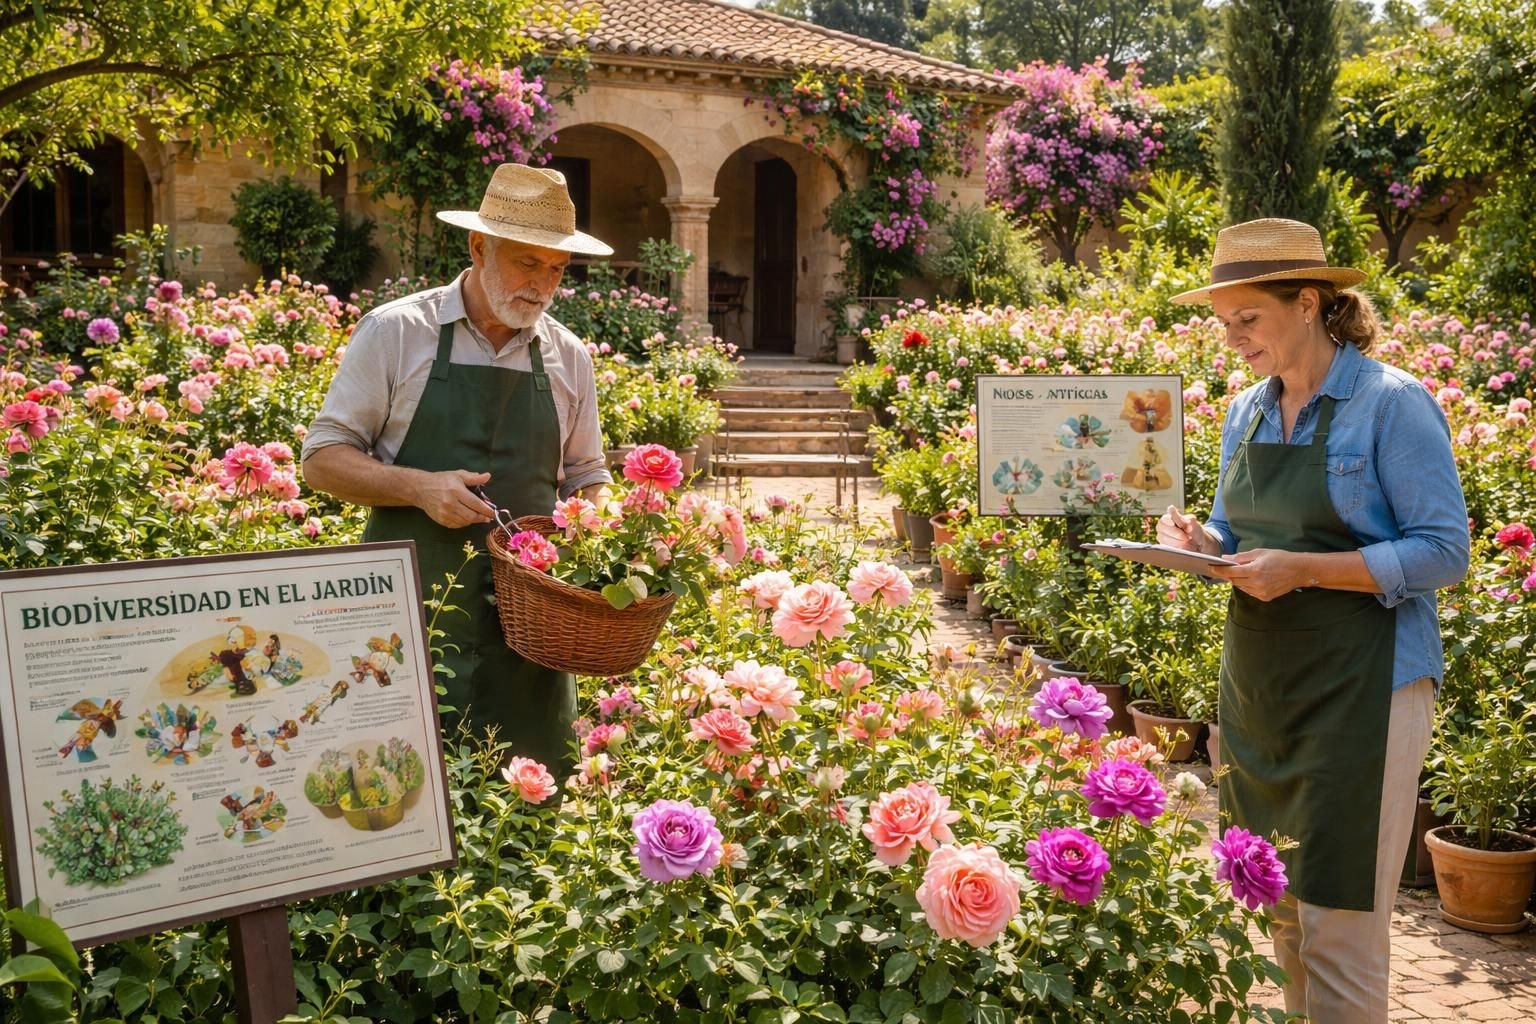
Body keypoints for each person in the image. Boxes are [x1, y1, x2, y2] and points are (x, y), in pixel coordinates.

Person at [1156, 219, 1469, 1024]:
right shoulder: (1246, 412)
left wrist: (1304, 571)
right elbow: (1238, 531)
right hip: (1265, 688)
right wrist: (1203, 540)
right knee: (1281, 907)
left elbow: (1443, 552)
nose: (1232, 340)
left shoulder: (1391, 404)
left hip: (1365, 689)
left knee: (1340, 922)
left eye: (1247, 319)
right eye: (1223, 323)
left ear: (1307, 302)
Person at [302, 164, 615, 782]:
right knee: (397, 789)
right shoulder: (397, 333)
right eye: (529, 263)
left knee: (526, 813)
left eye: (556, 269)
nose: (543, 285)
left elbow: (586, 474)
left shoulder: (569, 357)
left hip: (533, 627)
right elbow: (321, 460)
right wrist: (419, 486)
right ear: (479, 246)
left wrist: (608, 526)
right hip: (408, 608)